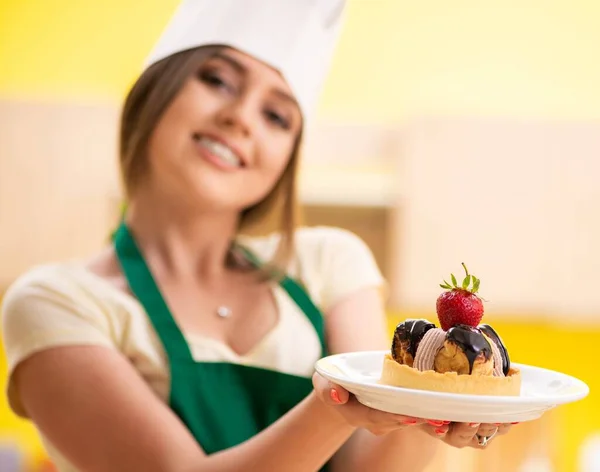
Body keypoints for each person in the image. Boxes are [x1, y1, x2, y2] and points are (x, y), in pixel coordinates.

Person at [1, 1, 514, 471]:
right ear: (157, 88)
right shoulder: (56, 301)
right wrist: (338, 406)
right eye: (218, 80)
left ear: (286, 160)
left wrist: (435, 409)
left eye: (276, 116)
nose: (240, 118)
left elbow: (372, 465)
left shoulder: (326, 265)